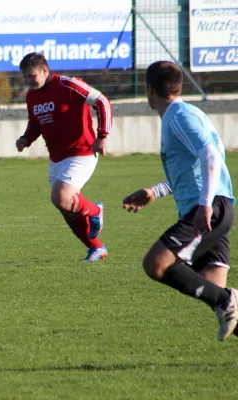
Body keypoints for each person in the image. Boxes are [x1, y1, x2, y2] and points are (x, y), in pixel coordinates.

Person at [122, 60, 237, 341]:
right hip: (218, 207)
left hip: (208, 209)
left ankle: (227, 300)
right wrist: (155, 192)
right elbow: (192, 169)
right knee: (211, 288)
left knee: (156, 263)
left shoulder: (179, 116)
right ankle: (225, 301)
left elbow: (210, 156)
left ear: (149, 90)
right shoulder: (190, 113)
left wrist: (206, 204)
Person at [15, 52, 111, 261]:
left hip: (81, 152)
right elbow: (35, 123)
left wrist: (103, 135)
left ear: (45, 71)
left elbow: (102, 101)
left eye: (32, 76)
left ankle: (95, 211)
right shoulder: (32, 96)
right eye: (25, 77)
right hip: (57, 158)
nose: (29, 81)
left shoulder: (68, 85)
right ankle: (96, 247)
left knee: (61, 197)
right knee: (66, 208)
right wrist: (26, 139)